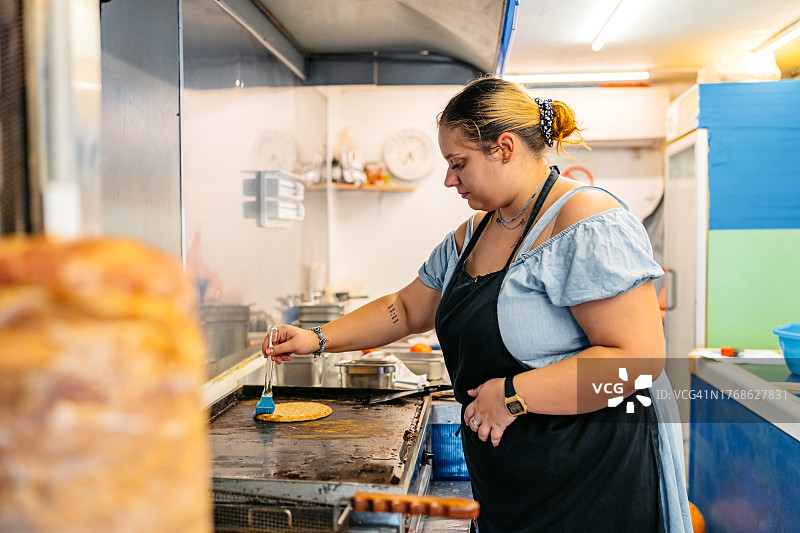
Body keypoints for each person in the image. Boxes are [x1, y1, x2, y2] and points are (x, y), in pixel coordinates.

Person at [263, 75, 692, 532]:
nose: (449, 180)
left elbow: (636, 361)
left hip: (592, 480)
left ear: (504, 148)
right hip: (514, 481)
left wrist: (514, 395)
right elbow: (406, 309)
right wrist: (317, 338)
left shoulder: (584, 221)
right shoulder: (475, 233)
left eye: (458, 163)